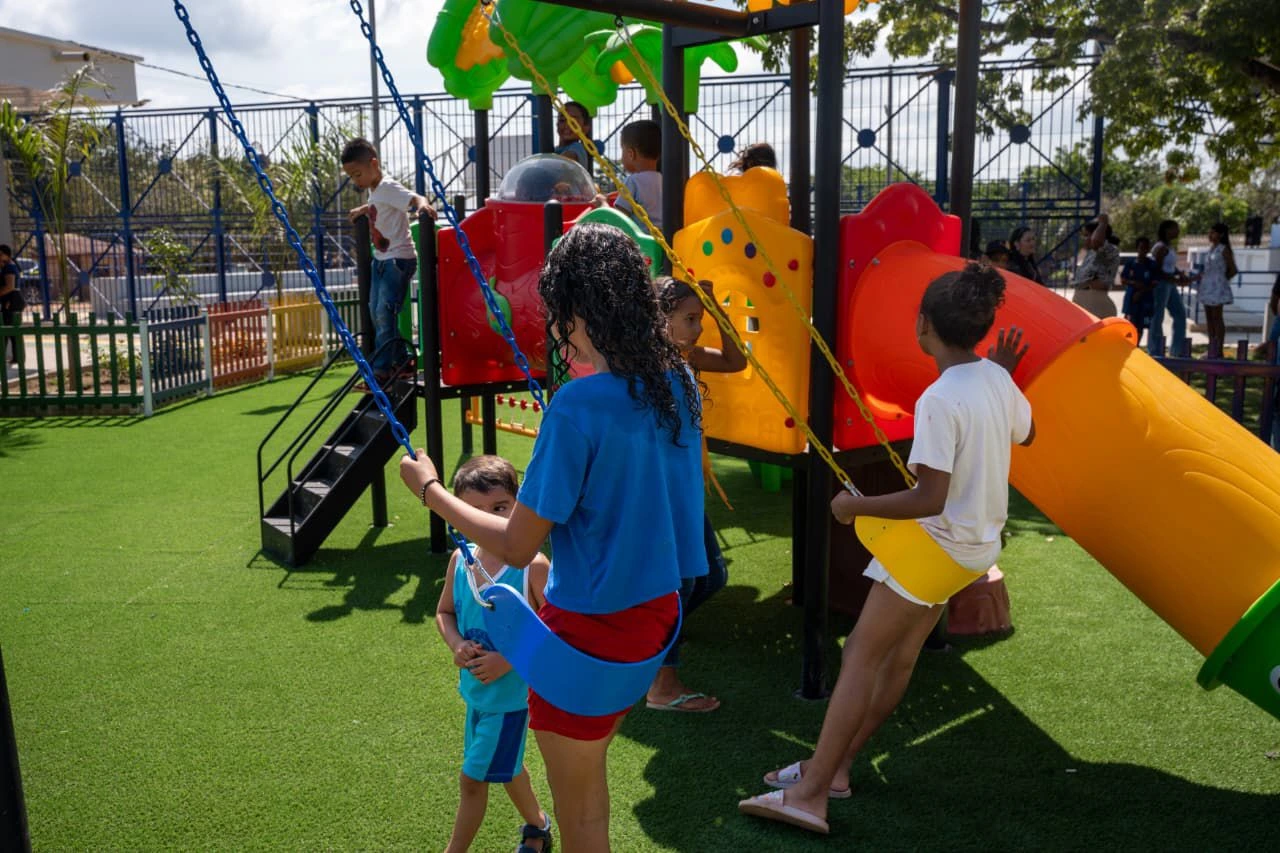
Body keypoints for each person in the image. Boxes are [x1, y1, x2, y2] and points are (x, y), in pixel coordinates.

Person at [400, 222, 704, 852]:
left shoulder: (578, 407)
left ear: (572, 311)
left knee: (583, 816)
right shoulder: (677, 383)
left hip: (587, 642)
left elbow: (514, 545)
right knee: (587, 797)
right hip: (658, 621)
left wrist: (432, 492)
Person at [739, 263, 1034, 836]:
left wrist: (855, 508)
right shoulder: (997, 379)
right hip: (973, 550)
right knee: (896, 659)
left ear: (924, 325)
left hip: (938, 547)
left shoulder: (939, 397)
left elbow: (930, 496)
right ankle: (839, 770)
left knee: (860, 660)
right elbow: (1028, 433)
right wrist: (1004, 378)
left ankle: (811, 792)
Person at [436, 456, 553, 853]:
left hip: (510, 701)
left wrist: (508, 659)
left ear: (519, 506)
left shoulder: (532, 567)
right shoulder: (460, 560)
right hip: (476, 694)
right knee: (508, 768)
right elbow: (444, 612)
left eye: (500, 508)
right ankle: (537, 826)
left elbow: (556, 632)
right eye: (473, 510)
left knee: (472, 780)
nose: (489, 519)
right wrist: (456, 644)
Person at [645, 276, 748, 714]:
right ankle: (662, 686)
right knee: (681, 582)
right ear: (659, 319)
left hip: (684, 490)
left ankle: (656, 640)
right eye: (690, 319)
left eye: (699, 319)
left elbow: (736, 359)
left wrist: (715, 309)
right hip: (664, 493)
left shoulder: (683, 357)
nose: (698, 327)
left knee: (710, 578)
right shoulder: (647, 367)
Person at [340, 137, 436, 383]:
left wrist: (423, 206)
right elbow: (381, 209)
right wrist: (364, 210)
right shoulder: (376, 192)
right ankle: (402, 360)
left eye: (357, 174)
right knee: (376, 312)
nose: (355, 181)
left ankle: (382, 370)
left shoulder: (388, 186)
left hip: (397, 260)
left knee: (384, 313)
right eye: (351, 176)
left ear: (374, 164)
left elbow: (414, 198)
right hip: (382, 260)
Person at [1149, 219, 1193, 357]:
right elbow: (1157, 269)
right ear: (1167, 230)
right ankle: (1155, 350)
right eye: (1175, 228)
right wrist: (1173, 279)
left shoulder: (1169, 246)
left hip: (1170, 285)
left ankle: (1177, 350)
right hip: (1161, 285)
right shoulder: (1160, 247)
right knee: (1157, 317)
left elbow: (1170, 266)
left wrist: (1179, 274)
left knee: (1180, 314)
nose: (1178, 231)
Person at [610, 119, 662, 230]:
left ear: (630, 154)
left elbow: (618, 218)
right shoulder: (664, 180)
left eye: (622, 150)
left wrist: (602, 204)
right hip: (664, 240)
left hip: (641, 242)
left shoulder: (632, 181)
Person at [1196, 223, 1237, 358]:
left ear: (1221, 234)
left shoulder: (1224, 249)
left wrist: (1221, 281)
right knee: (1209, 318)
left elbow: (1233, 269)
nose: (1210, 235)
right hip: (1207, 287)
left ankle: (1218, 349)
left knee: (1217, 317)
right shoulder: (1211, 249)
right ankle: (1211, 347)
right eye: (1210, 232)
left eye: (1213, 232)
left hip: (1217, 287)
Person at [1070, 214, 1120, 318]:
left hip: (1097, 309)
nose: (1085, 239)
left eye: (1087, 235)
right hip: (1084, 307)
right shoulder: (1091, 253)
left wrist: (1103, 223)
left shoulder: (1109, 250)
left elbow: (1096, 242)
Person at [1120, 237, 1157, 346]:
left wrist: (1141, 292)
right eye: (1141, 247)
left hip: (1145, 301)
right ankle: (1126, 346)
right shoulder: (1130, 263)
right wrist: (1134, 284)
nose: (1143, 250)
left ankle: (1136, 346)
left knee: (1140, 326)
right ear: (1137, 248)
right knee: (1128, 324)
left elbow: (1154, 284)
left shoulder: (1152, 265)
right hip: (1131, 300)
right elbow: (1123, 279)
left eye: (1146, 248)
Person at [0, 244, 25, 365]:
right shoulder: (9, 266)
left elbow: (9, 286)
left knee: (7, 329)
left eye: (0, 255)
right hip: (14, 300)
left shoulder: (9, 268)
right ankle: (17, 357)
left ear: (7, 255)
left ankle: (15, 357)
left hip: (12, 301)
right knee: (12, 330)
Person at [554, 101, 593, 173]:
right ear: (557, 124)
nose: (567, 125)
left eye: (573, 122)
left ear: (585, 128)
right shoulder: (556, 150)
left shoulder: (577, 148)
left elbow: (565, 161)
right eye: (562, 120)